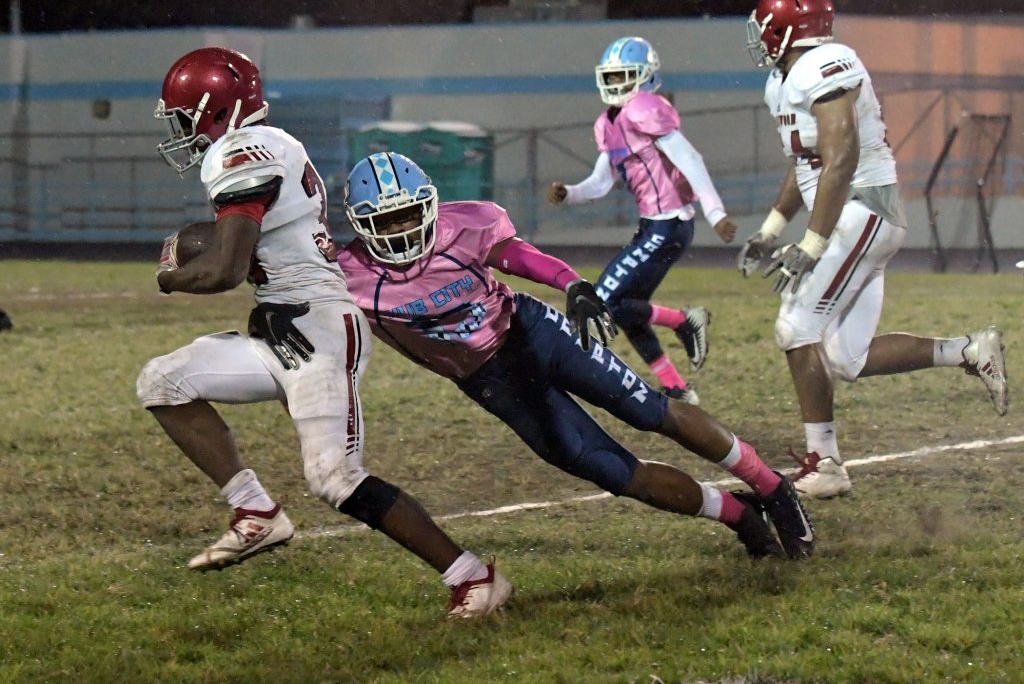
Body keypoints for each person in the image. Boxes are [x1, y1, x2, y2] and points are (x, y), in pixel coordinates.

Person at [254, 151, 817, 562]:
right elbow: (282, 288)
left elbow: (517, 256)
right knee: (618, 474)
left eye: (409, 215)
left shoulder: (464, 224)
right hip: (490, 380)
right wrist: (268, 314)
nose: (402, 231)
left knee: (651, 411)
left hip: (534, 332)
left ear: (431, 204)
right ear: (360, 227)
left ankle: (772, 486)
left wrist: (573, 284)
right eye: (386, 222)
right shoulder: (347, 275)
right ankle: (740, 515)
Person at [135, 47, 510, 619]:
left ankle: (474, 577)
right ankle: (256, 512)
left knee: (335, 478)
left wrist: (171, 276)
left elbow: (225, 270)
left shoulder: (242, 152)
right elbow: (251, 247)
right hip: (283, 326)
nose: (181, 132)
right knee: (163, 381)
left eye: (185, 117)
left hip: (320, 330)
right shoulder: (269, 145)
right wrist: (201, 243)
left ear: (216, 109)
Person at [741, 0, 1008, 499]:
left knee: (795, 327)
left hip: (864, 208)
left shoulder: (825, 63)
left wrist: (812, 244)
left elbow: (841, 159)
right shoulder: (784, 80)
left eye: (765, 24)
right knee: (847, 357)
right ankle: (969, 350)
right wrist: (772, 228)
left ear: (785, 27)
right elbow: (806, 161)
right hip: (854, 215)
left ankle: (826, 464)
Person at [546, 36, 738, 405]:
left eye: (625, 76)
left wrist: (716, 213)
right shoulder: (609, 122)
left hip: (669, 223)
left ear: (646, 76)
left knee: (603, 300)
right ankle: (677, 388)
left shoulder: (645, 109)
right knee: (625, 308)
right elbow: (601, 182)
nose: (617, 84)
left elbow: (690, 159)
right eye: (612, 76)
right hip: (653, 226)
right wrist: (569, 193)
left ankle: (683, 320)